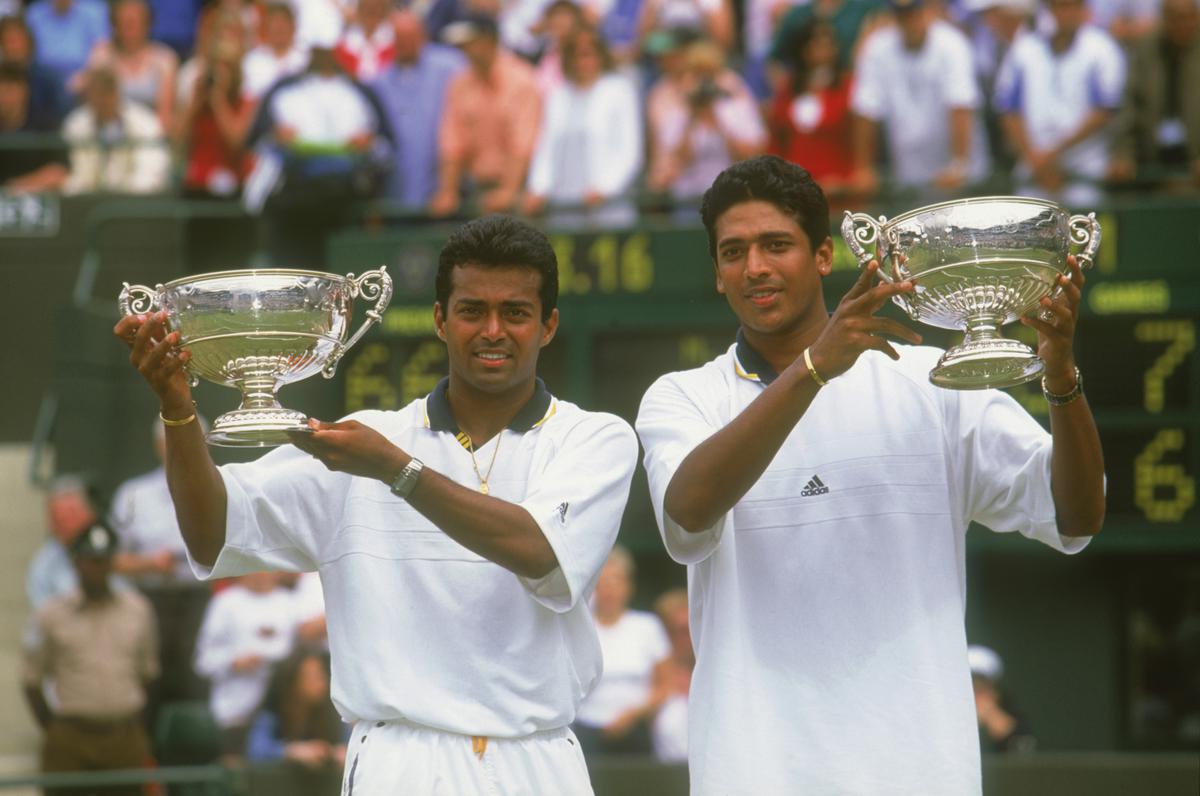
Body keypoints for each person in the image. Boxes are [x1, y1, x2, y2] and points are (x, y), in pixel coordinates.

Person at [113, 214, 639, 794]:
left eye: (515, 312)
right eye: (471, 311)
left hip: (539, 761)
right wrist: (179, 411)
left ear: (548, 325)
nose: (493, 330)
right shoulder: (365, 440)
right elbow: (211, 532)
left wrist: (396, 470)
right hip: (400, 762)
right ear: (441, 320)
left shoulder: (595, 438)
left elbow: (539, 550)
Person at [635, 155, 1105, 794]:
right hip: (753, 773)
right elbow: (687, 514)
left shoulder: (930, 382)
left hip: (919, 772)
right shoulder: (682, 397)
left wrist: (1059, 378)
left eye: (777, 245)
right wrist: (815, 367)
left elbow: (1075, 515)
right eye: (733, 252)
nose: (755, 268)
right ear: (717, 273)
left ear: (824, 256)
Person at [22, 523, 159, 796]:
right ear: (76, 563)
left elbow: (149, 673)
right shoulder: (52, 614)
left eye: (104, 561)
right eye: (90, 561)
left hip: (124, 735)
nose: (97, 569)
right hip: (71, 735)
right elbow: (32, 680)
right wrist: (52, 727)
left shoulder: (137, 611)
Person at [110, 420, 213, 704]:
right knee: (149, 676)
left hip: (201, 598)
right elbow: (112, 560)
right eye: (172, 438)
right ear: (158, 445)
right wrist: (150, 565)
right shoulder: (133, 494)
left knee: (198, 676)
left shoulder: (222, 485)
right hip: (149, 599)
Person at [849, 0, 989, 198]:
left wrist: (958, 165)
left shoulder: (952, 43)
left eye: (914, 12)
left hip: (960, 176)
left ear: (928, 10)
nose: (909, 20)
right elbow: (866, 109)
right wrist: (864, 168)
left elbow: (960, 105)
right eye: (902, 14)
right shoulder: (878, 47)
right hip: (909, 175)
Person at [993, 0, 1126, 206]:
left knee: (1085, 231)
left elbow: (1105, 111)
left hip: (1085, 168)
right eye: (1061, 6)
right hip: (1033, 167)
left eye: (1073, 6)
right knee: (1030, 233)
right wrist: (1036, 159)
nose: (1067, 13)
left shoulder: (1101, 48)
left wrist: (1052, 154)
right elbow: (1008, 110)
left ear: (1084, 10)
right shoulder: (1024, 49)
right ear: (1050, 10)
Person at [522, 25, 642, 228]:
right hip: (564, 207)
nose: (582, 61)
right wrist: (537, 187)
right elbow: (546, 148)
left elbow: (630, 151)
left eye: (588, 54)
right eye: (575, 55)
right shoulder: (558, 96)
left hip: (608, 209)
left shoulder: (619, 90)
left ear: (600, 55)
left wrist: (605, 188)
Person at [430, 13, 542, 217]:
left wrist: (509, 190)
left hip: (519, 189)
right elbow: (452, 141)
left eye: (469, 43)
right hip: (477, 191)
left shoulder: (520, 80)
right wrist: (448, 190)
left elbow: (523, 142)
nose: (464, 50)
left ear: (488, 41)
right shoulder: (460, 83)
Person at [572, 546, 669, 756]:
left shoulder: (647, 626)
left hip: (637, 729)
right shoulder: (579, 630)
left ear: (628, 586)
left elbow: (665, 685)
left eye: (616, 582)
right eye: (602, 583)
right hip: (586, 730)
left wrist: (633, 715)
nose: (609, 591)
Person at [194, 571, 298, 758]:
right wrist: (234, 663)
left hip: (283, 710)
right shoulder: (225, 603)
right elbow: (203, 661)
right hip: (236, 712)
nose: (260, 573)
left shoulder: (290, 602)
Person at [369, 8, 465, 212]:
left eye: (410, 36)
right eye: (399, 37)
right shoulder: (380, 82)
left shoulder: (452, 66)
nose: (404, 43)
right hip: (398, 192)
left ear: (423, 35)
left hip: (450, 189)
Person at [1108, 0, 1200, 190]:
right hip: (1151, 163)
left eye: (1188, 18)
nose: (1183, 25)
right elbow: (1129, 107)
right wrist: (1122, 154)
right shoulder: (1146, 51)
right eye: (1175, 19)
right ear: (1163, 20)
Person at [767, 19, 855, 192]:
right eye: (816, 44)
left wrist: (848, 182)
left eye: (827, 44)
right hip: (795, 191)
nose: (822, 50)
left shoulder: (848, 88)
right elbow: (776, 142)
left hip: (839, 187)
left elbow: (858, 143)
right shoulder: (787, 92)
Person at [60, 64, 170, 194]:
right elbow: (77, 174)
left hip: (134, 202)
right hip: (87, 201)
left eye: (108, 92)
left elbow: (151, 172)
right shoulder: (75, 125)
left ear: (117, 92)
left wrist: (125, 198)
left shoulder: (145, 123)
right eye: (97, 93)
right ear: (88, 95)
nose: (103, 99)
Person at [84, 0, 178, 131]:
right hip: (109, 129)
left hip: (149, 133)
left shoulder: (164, 59)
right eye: (123, 22)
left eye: (133, 22)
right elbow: (94, 102)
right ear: (114, 25)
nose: (128, 28)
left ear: (147, 24)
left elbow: (165, 113)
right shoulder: (101, 55)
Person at [246, 649, 348, 768]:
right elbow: (255, 751)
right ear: (293, 681)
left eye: (321, 675)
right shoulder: (272, 713)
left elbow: (348, 743)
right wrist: (291, 751)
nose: (322, 683)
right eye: (312, 676)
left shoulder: (330, 711)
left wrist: (341, 752)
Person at [0, 60, 68, 193]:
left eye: (9, 89)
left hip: (36, 201)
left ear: (24, 90)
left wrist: (14, 189)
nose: (3, 97)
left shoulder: (45, 125)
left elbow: (59, 171)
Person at [968, 644, 1037, 753]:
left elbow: (1021, 750)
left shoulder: (1014, 718)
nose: (975, 695)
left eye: (980, 688)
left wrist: (990, 714)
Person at [649, 587, 692, 764]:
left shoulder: (719, 672)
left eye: (690, 629)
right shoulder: (649, 673)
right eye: (678, 631)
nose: (687, 638)